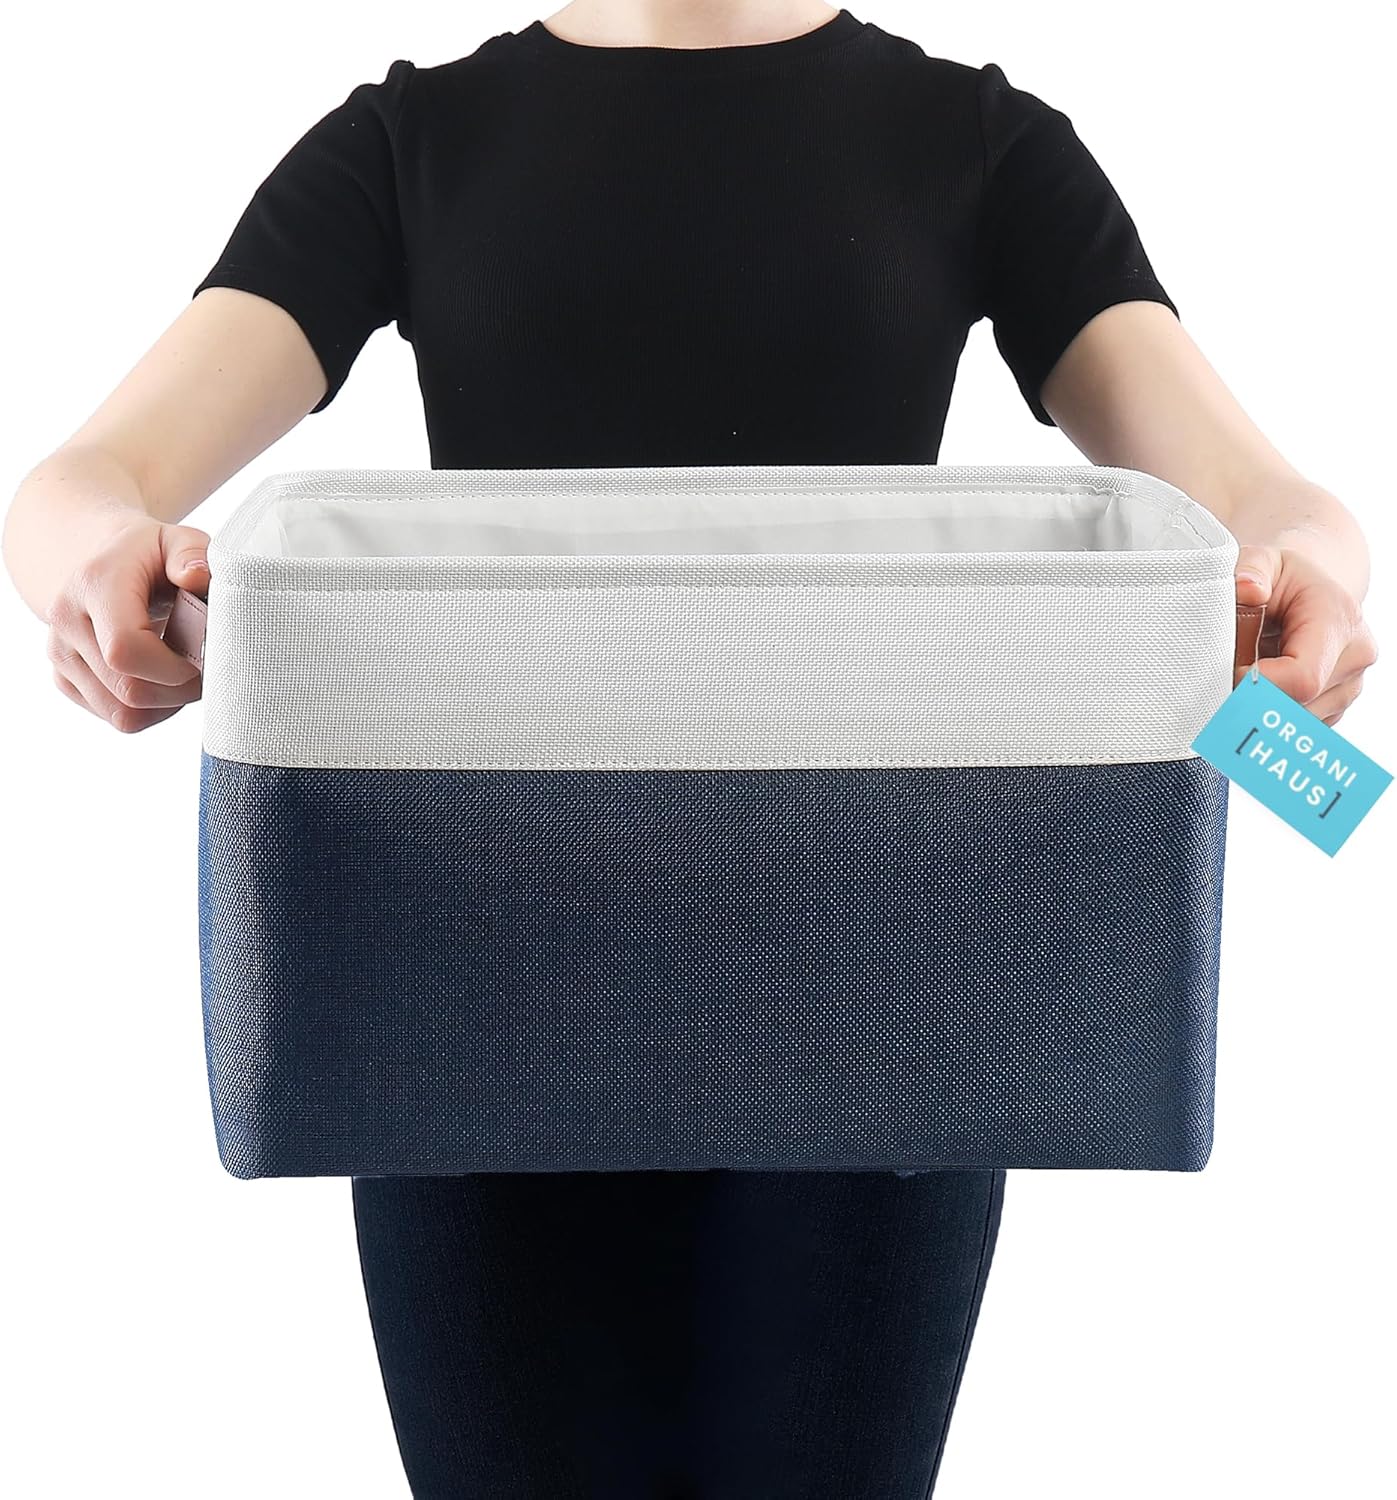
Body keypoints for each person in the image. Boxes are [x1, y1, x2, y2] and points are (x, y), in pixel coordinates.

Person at [2, 4, 1378, 1496]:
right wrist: (94, 564)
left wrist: (1312, 571)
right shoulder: (412, 140)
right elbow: (87, 479)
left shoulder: (978, 141)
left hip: (881, 987)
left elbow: (1255, 494)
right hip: (469, 970)